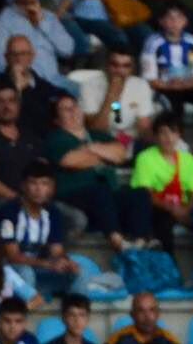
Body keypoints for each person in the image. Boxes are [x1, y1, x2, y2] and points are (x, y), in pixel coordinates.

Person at [47, 92, 154, 252]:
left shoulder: (98, 135)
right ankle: (118, 242)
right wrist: (104, 155)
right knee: (99, 190)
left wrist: (90, 147)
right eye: (66, 109)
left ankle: (141, 242)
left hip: (107, 199)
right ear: (56, 119)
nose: (73, 111)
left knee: (139, 193)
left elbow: (120, 155)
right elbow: (70, 161)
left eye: (75, 107)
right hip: (74, 197)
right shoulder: (56, 138)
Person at [0, 160, 78, 297]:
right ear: (23, 186)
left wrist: (65, 262)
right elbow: (12, 256)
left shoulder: (53, 213)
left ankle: (74, 308)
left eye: (44, 184)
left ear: (51, 188)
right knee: (26, 272)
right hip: (9, 271)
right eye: (33, 183)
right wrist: (46, 264)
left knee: (77, 270)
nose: (39, 189)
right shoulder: (9, 212)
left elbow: (56, 251)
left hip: (38, 269)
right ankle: (27, 307)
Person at [0, 0, 77, 94]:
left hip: (55, 81)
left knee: (85, 91)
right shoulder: (3, 21)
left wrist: (43, 23)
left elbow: (68, 49)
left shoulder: (48, 17)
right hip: (27, 85)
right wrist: (25, 79)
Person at [131, 114, 193, 251]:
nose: (169, 137)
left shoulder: (189, 159)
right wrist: (172, 209)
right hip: (159, 208)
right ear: (155, 136)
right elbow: (145, 195)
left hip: (184, 208)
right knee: (163, 220)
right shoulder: (145, 158)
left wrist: (185, 211)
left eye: (173, 132)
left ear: (179, 135)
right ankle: (168, 260)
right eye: (163, 132)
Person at [140, 4, 193, 120]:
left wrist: (184, 84)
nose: (175, 22)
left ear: (185, 21)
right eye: (170, 17)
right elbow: (150, 79)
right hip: (163, 87)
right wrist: (170, 85)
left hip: (188, 85)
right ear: (161, 21)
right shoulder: (153, 43)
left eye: (179, 17)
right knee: (174, 104)